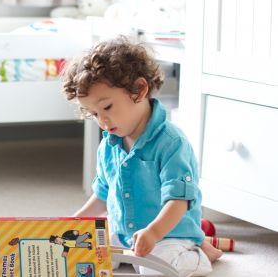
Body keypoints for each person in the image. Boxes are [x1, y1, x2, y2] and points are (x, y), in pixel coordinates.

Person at [61, 38, 222, 276]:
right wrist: (74, 221)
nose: (102, 121)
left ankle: (197, 254)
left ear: (139, 90)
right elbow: (103, 195)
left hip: (167, 234)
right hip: (122, 232)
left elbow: (178, 201)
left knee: (153, 270)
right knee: (79, 251)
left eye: (107, 107)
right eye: (94, 113)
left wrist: (154, 233)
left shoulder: (171, 143)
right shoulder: (108, 145)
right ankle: (136, 253)